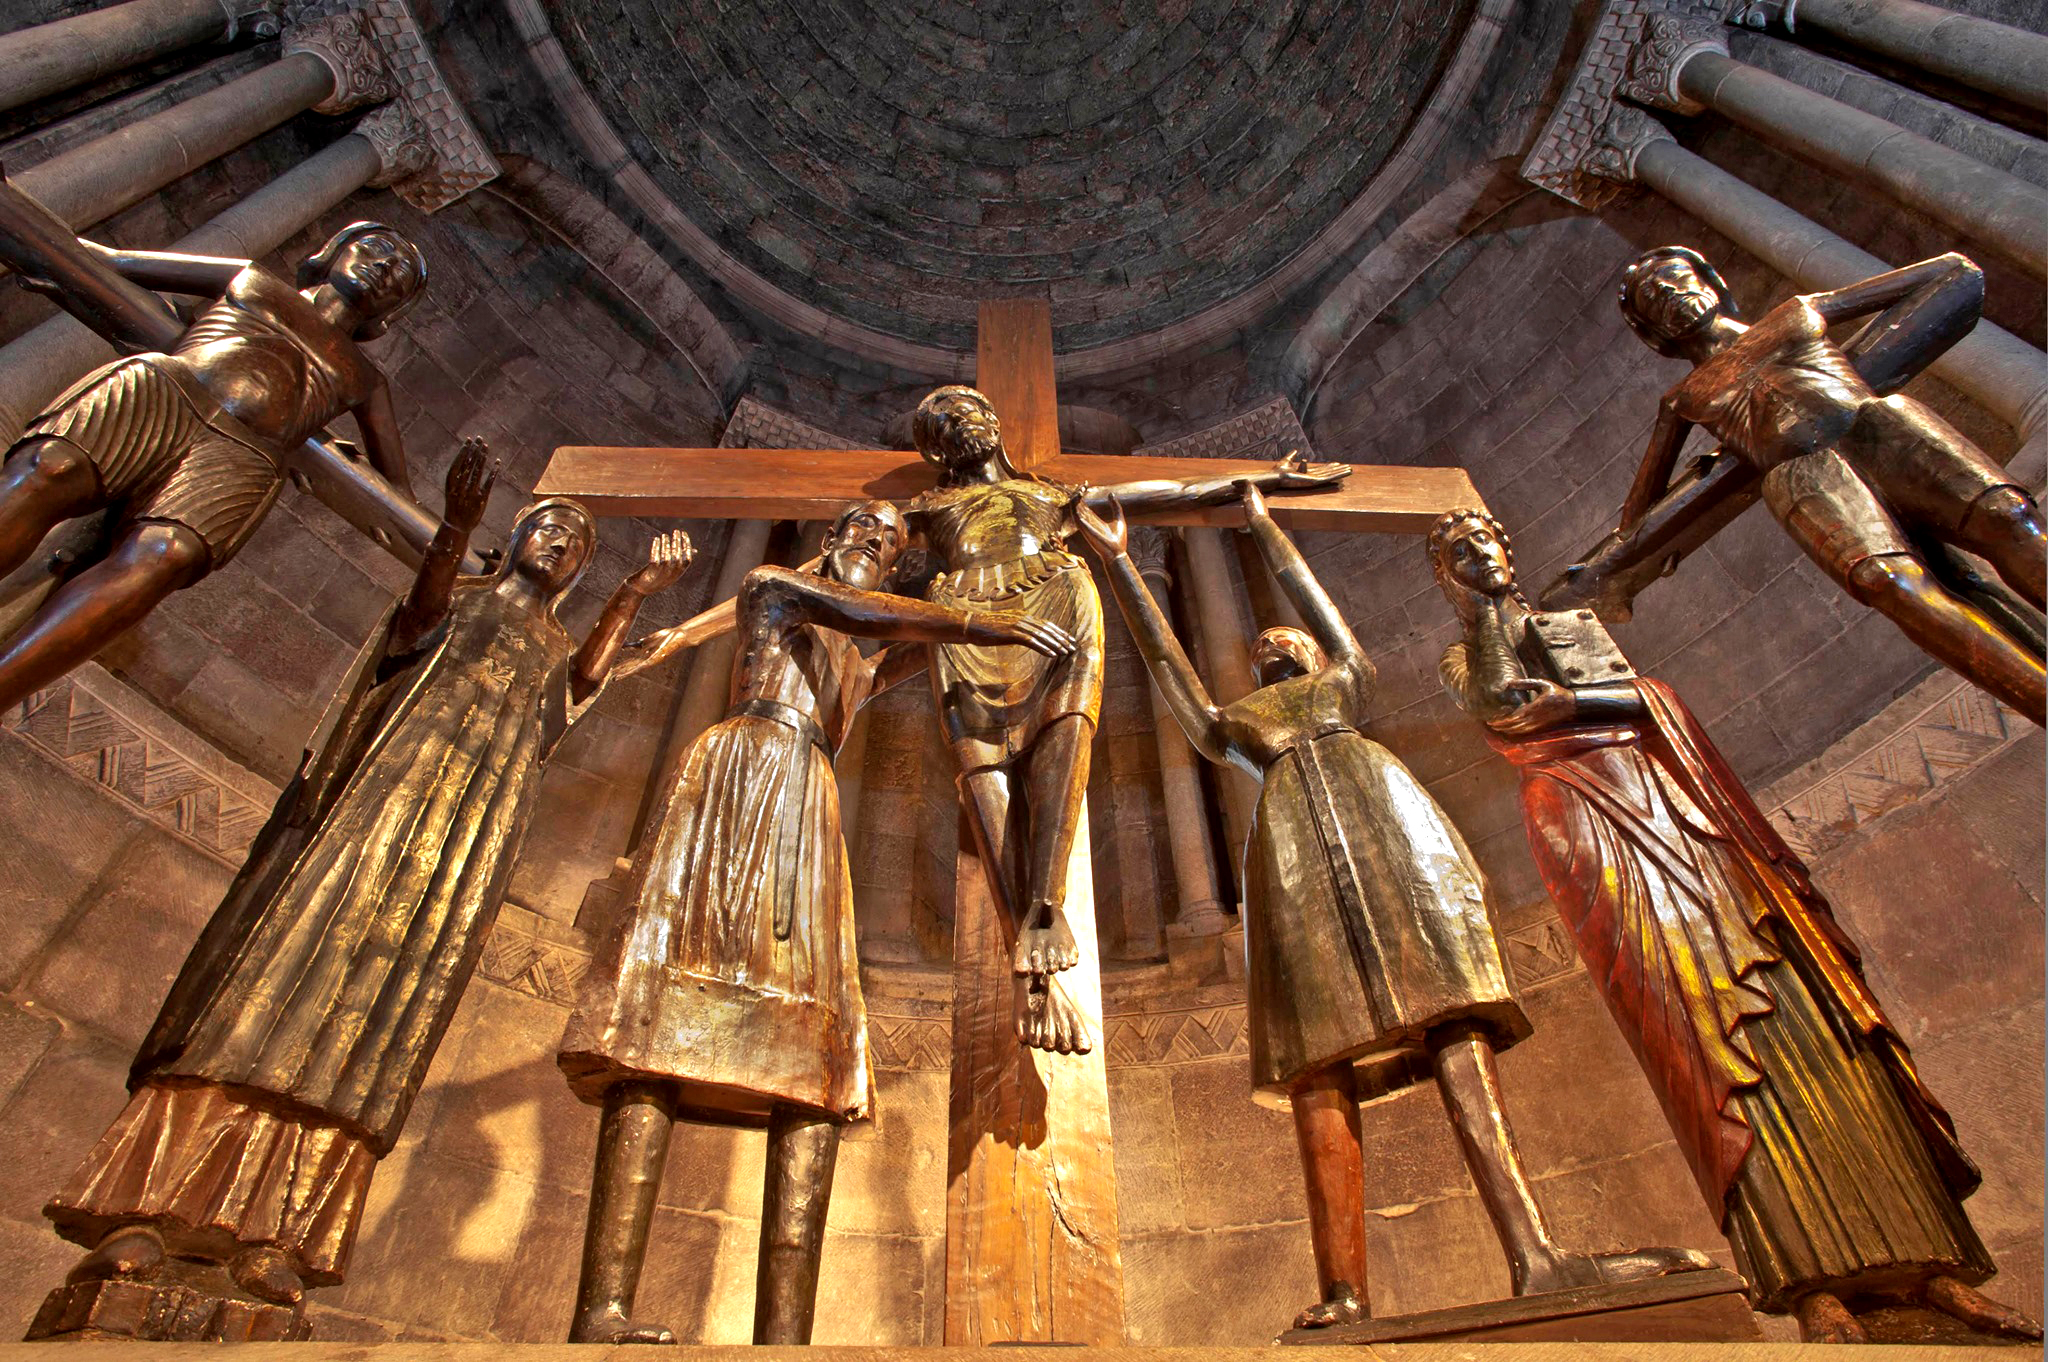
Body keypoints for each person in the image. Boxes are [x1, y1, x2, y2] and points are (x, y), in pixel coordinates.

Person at [34, 443, 689, 1341]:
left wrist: (634, 597)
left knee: (373, 1035)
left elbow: (574, 688)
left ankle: (280, 1239)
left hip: (456, 850)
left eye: (579, 545)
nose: (563, 546)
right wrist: (454, 524)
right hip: (377, 814)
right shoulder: (458, 602)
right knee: (268, 997)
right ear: (514, 537)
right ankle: (143, 1214)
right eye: (550, 528)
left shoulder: (552, 646)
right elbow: (416, 617)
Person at [1076, 487, 1707, 1332]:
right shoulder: (1239, 723)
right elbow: (1171, 677)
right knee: (1315, 1058)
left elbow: (1326, 617)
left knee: (1454, 1021)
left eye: (1285, 641)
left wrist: (1264, 524)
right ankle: (1345, 1292)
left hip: (1392, 830)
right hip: (1295, 860)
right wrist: (1120, 563)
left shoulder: (1344, 685)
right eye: (1260, 645)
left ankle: (1538, 1257)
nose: (1273, 645)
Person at [1433, 506, 2042, 1344]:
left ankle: (1932, 1264)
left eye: (1487, 540)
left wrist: (1571, 697)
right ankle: (1807, 1281)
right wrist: (1485, 617)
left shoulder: (1571, 625)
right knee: (1700, 1036)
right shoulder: (1464, 654)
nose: (1480, 554)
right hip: (1583, 817)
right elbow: (1503, 706)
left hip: (1677, 802)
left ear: (1509, 544)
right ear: (1446, 575)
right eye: (1460, 552)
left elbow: (1642, 695)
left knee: (1804, 1015)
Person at [558, 499, 1074, 1346]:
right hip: (739, 778)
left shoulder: (855, 663)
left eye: (888, 539)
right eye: (861, 529)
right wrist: (984, 616)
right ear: (829, 540)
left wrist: (1026, 591)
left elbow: (916, 645)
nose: (874, 543)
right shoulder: (773, 589)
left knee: (817, 1053)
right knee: (656, 1036)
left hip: (807, 801)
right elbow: (876, 614)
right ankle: (602, 1311)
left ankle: (785, 1336)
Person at [904, 385, 1347, 1051]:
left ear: (995, 423)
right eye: (946, 423)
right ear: (937, 450)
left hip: (1056, 599)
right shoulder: (931, 506)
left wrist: (1258, 477)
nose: (964, 424)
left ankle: (1046, 907)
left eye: (969, 412)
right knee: (983, 775)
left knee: (1063, 740)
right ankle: (1026, 959)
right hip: (971, 618)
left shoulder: (1054, 494)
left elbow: (1160, 492)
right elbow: (855, 545)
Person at [0, 213, 433, 713]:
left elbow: (396, 492)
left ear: (392, 311)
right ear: (336, 250)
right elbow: (114, 262)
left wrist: (456, 528)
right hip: (171, 389)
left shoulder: (365, 378)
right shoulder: (253, 278)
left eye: (400, 275)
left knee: (163, 559)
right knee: (48, 469)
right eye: (379, 249)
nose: (385, 268)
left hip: (242, 456)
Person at [1615, 246, 2044, 723]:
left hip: (1879, 426)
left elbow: (1950, 273)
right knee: (1891, 584)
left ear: (1710, 282)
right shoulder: (1682, 401)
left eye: (1679, 279)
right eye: (1655, 298)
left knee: (2007, 517)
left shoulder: (1796, 313)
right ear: (1654, 332)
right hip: (1806, 478)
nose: (1674, 295)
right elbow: (1635, 521)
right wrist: (1714, 467)